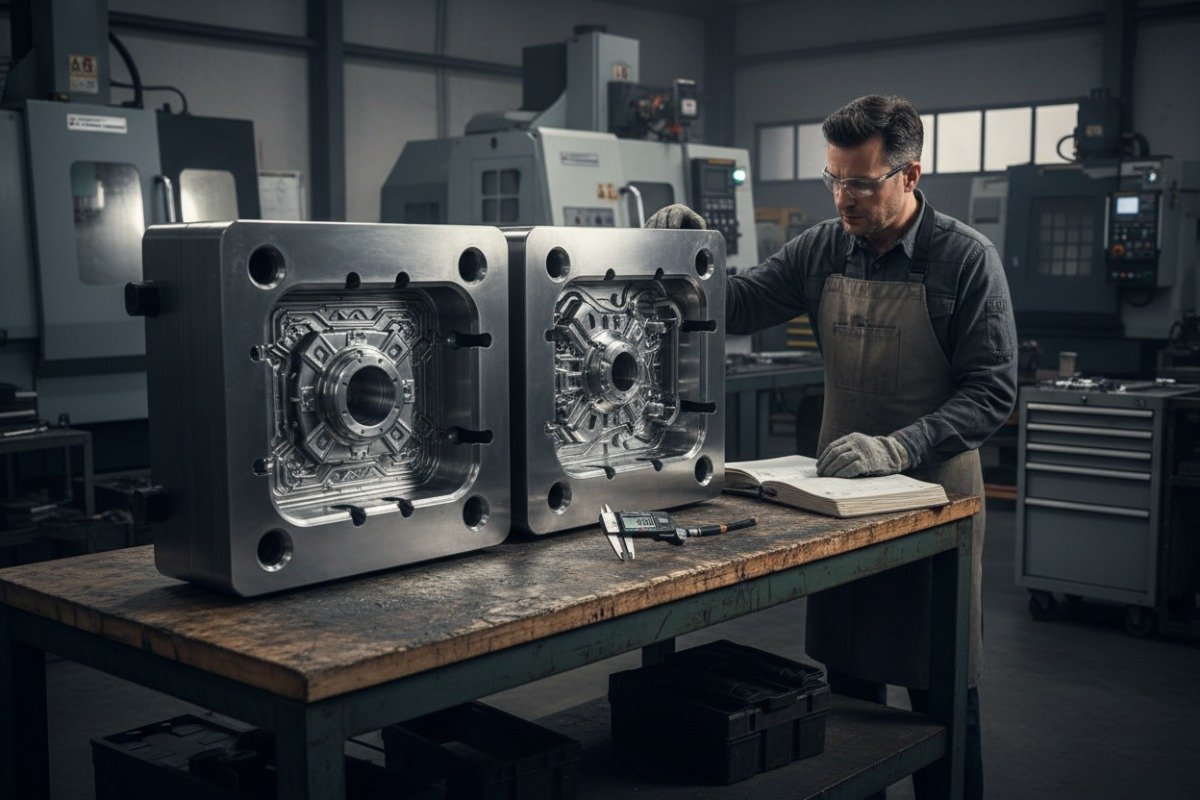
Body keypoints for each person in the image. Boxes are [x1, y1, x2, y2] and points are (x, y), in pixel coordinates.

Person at [647, 94, 1016, 799]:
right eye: (834, 180)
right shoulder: (823, 248)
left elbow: (992, 392)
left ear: (910, 176)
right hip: (843, 504)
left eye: (861, 182)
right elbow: (743, 302)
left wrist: (899, 448)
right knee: (851, 704)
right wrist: (690, 257)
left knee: (941, 696)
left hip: (933, 507)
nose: (844, 198)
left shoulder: (965, 260)